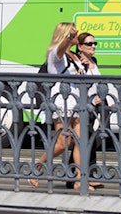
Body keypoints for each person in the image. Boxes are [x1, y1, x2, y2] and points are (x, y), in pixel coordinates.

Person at [29, 22, 88, 191]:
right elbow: (61, 48)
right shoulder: (56, 55)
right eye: (72, 33)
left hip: (77, 103)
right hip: (63, 104)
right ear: (65, 35)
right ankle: (37, 166)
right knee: (63, 143)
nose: (77, 35)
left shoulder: (75, 56)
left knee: (80, 142)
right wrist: (69, 38)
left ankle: (79, 180)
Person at [72, 31, 104, 189]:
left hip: (94, 107)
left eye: (94, 43)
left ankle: (88, 174)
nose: (93, 46)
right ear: (80, 47)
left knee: (92, 140)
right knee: (80, 141)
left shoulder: (94, 61)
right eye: (89, 44)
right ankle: (77, 177)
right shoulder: (78, 62)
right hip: (81, 107)